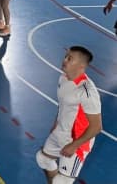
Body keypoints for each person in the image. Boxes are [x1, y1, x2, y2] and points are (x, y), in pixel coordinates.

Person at [36, 46, 102, 184]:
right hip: (61, 131)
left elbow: (96, 127)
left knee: (62, 181)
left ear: (81, 65)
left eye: (70, 58)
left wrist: (74, 145)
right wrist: (56, 123)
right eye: (66, 56)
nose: (65, 60)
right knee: (43, 159)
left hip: (77, 141)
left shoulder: (87, 92)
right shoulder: (63, 78)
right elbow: (63, 104)